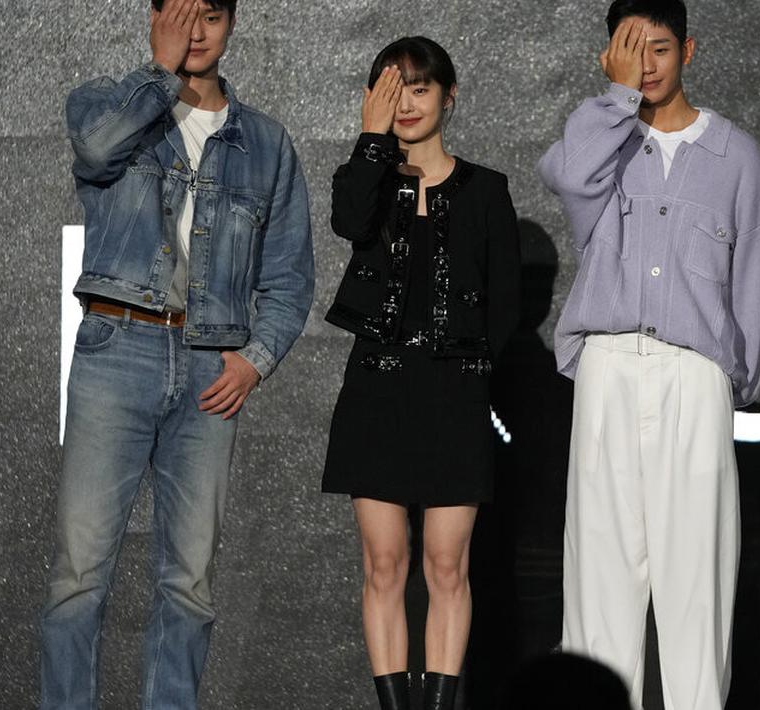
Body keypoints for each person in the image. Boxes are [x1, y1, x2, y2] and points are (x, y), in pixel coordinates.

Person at [39, 0, 314, 706]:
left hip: (209, 367)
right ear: (154, 15)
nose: (194, 33)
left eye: (210, 17)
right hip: (117, 348)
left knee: (188, 583)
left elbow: (287, 278)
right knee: (80, 574)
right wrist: (159, 76)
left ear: (232, 24)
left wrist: (256, 357)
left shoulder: (266, 142)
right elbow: (97, 152)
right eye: (180, 14)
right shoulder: (105, 103)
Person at [537, 0, 760, 706]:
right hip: (608, 367)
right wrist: (613, 98)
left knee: (693, 587)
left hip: (694, 376)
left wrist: (723, 383)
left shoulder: (734, 155)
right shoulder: (599, 138)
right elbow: (565, 175)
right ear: (609, 55)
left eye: (660, 49)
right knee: (599, 585)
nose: (646, 65)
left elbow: (755, 286)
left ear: (688, 52)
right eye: (629, 48)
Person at [320, 36, 521, 710]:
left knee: (445, 563)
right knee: (383, 563)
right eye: (389, 87)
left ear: (448, 95)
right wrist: (371, 140)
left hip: (452, 395)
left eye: (418, 86)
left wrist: (468, 373)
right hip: (376, 390)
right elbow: (348, 221)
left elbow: (506, 305)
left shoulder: (487, 189)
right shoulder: (367, 180)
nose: (404, 102)